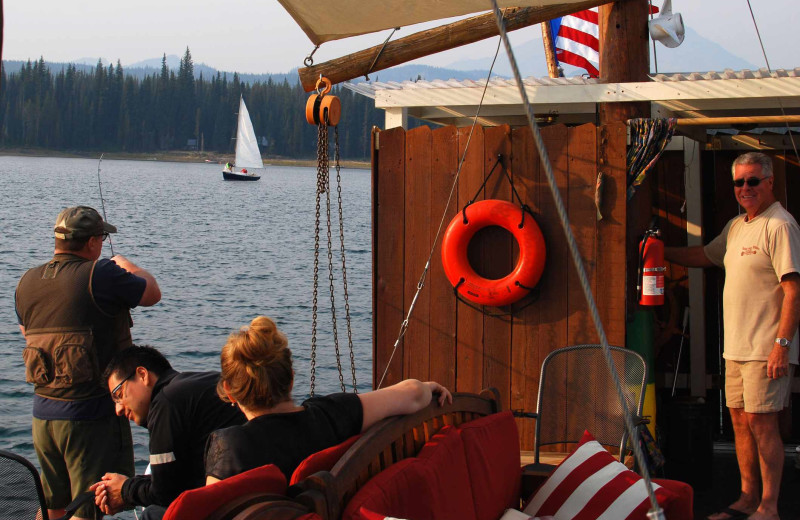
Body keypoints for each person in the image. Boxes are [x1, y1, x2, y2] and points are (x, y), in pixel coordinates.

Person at [664, 152, 800, 520]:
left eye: (753, 181)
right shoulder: (737, 226)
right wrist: (659, 252)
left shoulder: (780, 225)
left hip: (766, 347)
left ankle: (769, 507)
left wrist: (782, 346)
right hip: (736, 349)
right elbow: (705, 255)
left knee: (762, 422)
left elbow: (793, 290)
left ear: (769, 182)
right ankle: (746, 498)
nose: (745, 188)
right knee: (739, 420)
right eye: (739, 182)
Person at [15, 206, 161, 520]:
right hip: (90, 419)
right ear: (93, 242)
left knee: (53, 506)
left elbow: (28, 331)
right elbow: (152, 293)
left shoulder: (26, 281)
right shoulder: (102, 273)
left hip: (43, 418)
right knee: (87, 509)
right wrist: (125, 264)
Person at [203, 316, 453, 483]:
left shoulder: (230, 448)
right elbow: (413, 394)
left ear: (230, 391)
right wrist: (429, 387)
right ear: (290, 378)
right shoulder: (332, 414)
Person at [91, 345, 246, 520]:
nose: (118, 409)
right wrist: (126, 487)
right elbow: (174, 481)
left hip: (227, 502)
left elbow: (164, 493)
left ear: (142, 375)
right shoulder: (194, 386)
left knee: (153, 515)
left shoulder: (166, 401)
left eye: (119, 395)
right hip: (249, 490)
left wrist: (125, 490)